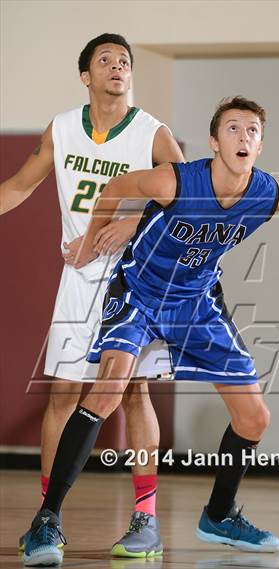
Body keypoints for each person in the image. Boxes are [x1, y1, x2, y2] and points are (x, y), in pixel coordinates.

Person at [22, 96, 279, 566]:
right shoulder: (176, 180)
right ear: (213, 141)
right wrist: (95, 237)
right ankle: (46, 520)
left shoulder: (271, 197)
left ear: (261, 145)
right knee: (107, 392)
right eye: (232, 129)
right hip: (140, 294)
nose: (243, 137)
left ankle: (219, 516)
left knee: (255, 419)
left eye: (251, 131)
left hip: (196, 303)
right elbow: (115, 188)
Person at [0, 33, 184, 562]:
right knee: (62, 396)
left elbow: (186, 197)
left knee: (135, 395)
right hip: (80, 280)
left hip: (139, 279)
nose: (117, 67)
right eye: (106, 60)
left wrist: (128, 225)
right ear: (87, 75)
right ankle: (47, 520)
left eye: (125, 61)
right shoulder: (62, 128)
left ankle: (145, 520)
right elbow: (17, 185)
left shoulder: (153, 133)